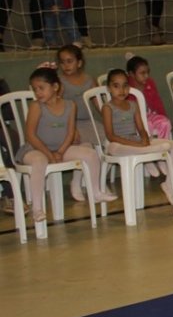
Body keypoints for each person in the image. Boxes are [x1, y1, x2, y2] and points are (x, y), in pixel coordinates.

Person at [15, 67, 115, 224]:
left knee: (90, 154)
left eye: (41, 88)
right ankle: (37, 208)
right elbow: (30, 135)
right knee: (39, 162)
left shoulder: (70, 105)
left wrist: (60, 152)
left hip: (60, 148)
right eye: (35, 89)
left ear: (55, 87)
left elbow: (70, 133)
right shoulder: (36, 106)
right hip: (36, 149)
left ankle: (95, 191)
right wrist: (49, 154)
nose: (38, 93)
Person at [101, 69, 173, 207]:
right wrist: (136, 145)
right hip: (117, 144)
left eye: (125, 85)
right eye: (116, 86)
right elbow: (110, 135)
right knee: (157, 148)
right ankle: (151, 153)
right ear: (109, 88)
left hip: (135, 141)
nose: (122, 90)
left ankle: (167, 183)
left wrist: (144, 138)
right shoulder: (108, 107)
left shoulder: (133, 105)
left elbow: (141, 128)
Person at [126, 54, 173, 140]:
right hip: (134, 120)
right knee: (148, 125)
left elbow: (157, 102)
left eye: (148, 72)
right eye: (142, 73)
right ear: (131, 74)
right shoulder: (127, 88)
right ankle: (149, 149)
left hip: (150, 115)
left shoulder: (150, 83)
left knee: (165, 123)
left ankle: (162, 148)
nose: (146, 76)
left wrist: (164, 115)